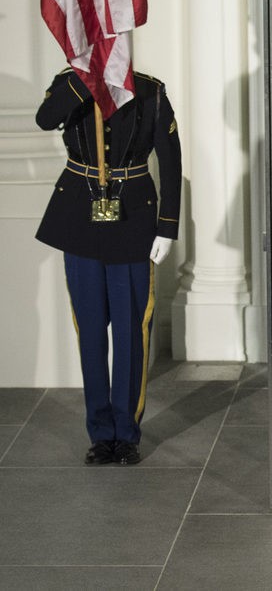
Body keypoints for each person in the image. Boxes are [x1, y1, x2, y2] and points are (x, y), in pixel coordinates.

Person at [36, 68, 182, 466]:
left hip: (133, 221)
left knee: (132, 330)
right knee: (91, 331)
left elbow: (169, 161)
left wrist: (167, 228)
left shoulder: (150, 91)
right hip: (79, 220)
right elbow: (45, 119)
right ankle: (100, 432)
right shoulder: (69, 82)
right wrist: (84, 82)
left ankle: (126, 432)